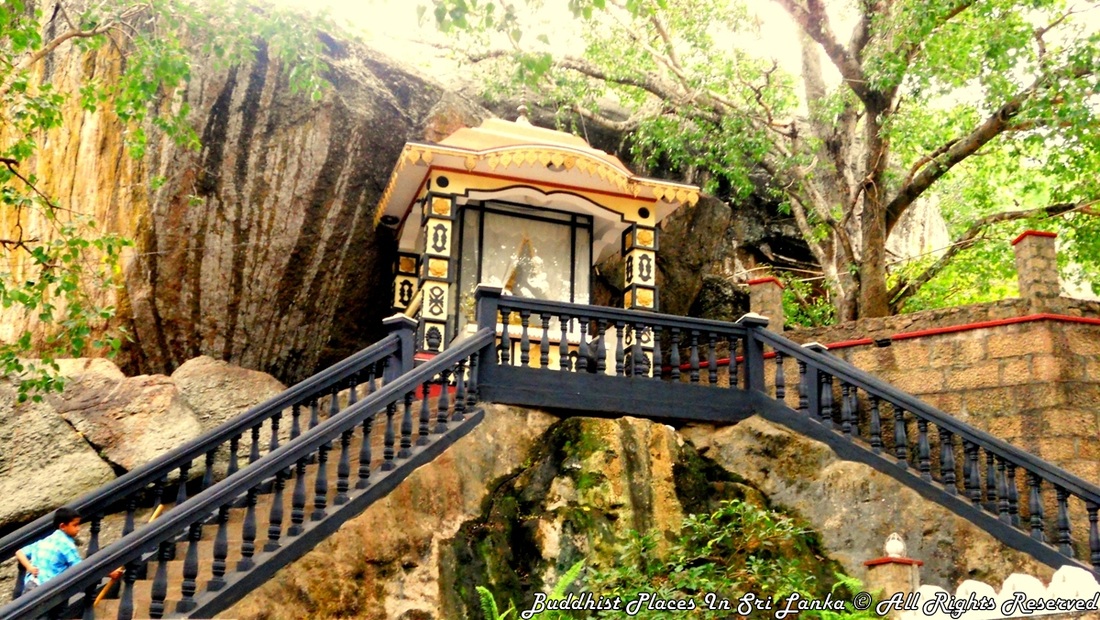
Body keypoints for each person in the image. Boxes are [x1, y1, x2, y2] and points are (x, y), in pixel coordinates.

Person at [14, 507, 122, 595]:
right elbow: (80, 568)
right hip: (45, 589)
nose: (78, 528)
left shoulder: (46, 540)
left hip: (31, 584)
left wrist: (30, 567)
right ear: (62, 526)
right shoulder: (66, 545)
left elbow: (19, 552)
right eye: (75, 525)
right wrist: (108, 572)